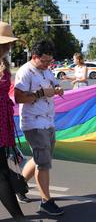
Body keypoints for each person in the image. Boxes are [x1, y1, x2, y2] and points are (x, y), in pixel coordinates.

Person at [14, 40, 65, 215]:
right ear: (34, 57)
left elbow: (52, 84)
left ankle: (19, 186)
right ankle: (46, 201)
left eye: (49, 61)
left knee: (40, 159)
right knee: (43, 164)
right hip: (33, 123)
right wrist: (41, 93)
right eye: (43, 61)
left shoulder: (47, 71)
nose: (46, 64)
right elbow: (18, 97)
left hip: (48, 121)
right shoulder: (25, 72)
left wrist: (57, 88)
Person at [0, 22, 27, 221]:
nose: (10, 47)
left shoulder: (4, 64)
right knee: (1, 172)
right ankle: (18, 217)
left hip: (3, 122)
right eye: (7, 44)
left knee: (2, 169)